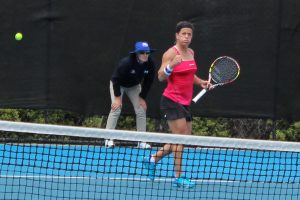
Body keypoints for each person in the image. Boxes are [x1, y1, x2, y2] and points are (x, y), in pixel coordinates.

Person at [143, 21, 210, 188]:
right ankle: (178, 177)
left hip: (184, 103)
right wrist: (171, 65)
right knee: (179, 140)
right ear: (177, 35)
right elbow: (160, 77)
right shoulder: (170, 54)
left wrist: (200, 82)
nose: (186, 37)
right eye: (183, 34)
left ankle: (153, 159)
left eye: (189, 34)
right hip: (171, 101)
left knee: (184, 138)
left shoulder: (191, 52)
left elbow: (189, 74)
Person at [105, 41, 156, 148]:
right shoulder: (126, 63)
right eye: (142, 52)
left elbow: (148, 82)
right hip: (118, 84)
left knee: (141, 109)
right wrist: (118, 98)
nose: (145, 55)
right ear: (137, 53)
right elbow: (115, 80)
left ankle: (141, 141)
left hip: (134, 86)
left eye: (147, 52)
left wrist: (142, 98)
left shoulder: (150, 64)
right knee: (116, 108)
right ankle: (108, 139)